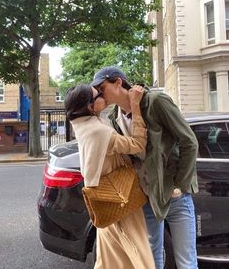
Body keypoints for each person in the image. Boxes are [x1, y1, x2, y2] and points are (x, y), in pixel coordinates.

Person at [91, 66, 199, 269]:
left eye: (101, 86)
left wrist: (180, 184)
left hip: (175, 195)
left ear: (118, 82)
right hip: (146, 197)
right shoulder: (115, 118)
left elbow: (189, 141)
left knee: (186, 262)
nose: (98, 92)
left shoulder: (155, 102)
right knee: (150, 260)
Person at [64, 84, 155, 269]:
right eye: (99, 95)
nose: (103, 95)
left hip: (104, 201)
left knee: (110, 261)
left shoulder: (83, 125)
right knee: (139, 256)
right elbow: (138, 145)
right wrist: (136, 107)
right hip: (120, 199)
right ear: (90, 106)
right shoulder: (99, 132)